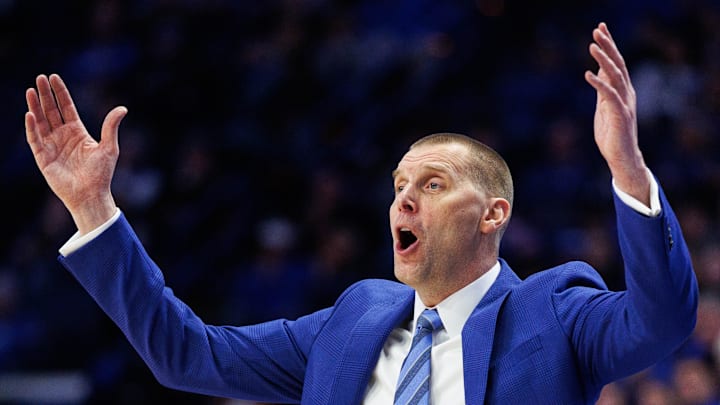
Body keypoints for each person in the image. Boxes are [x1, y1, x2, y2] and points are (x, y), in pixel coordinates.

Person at [24, 22, 697, 404]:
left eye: (432, 184)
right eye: (399, 183)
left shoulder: (557, 310)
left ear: (494, 213)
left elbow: (662, 320)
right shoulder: (352, 319)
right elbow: (184, 352)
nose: (402, 198)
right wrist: (94, 207)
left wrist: (627, 170)